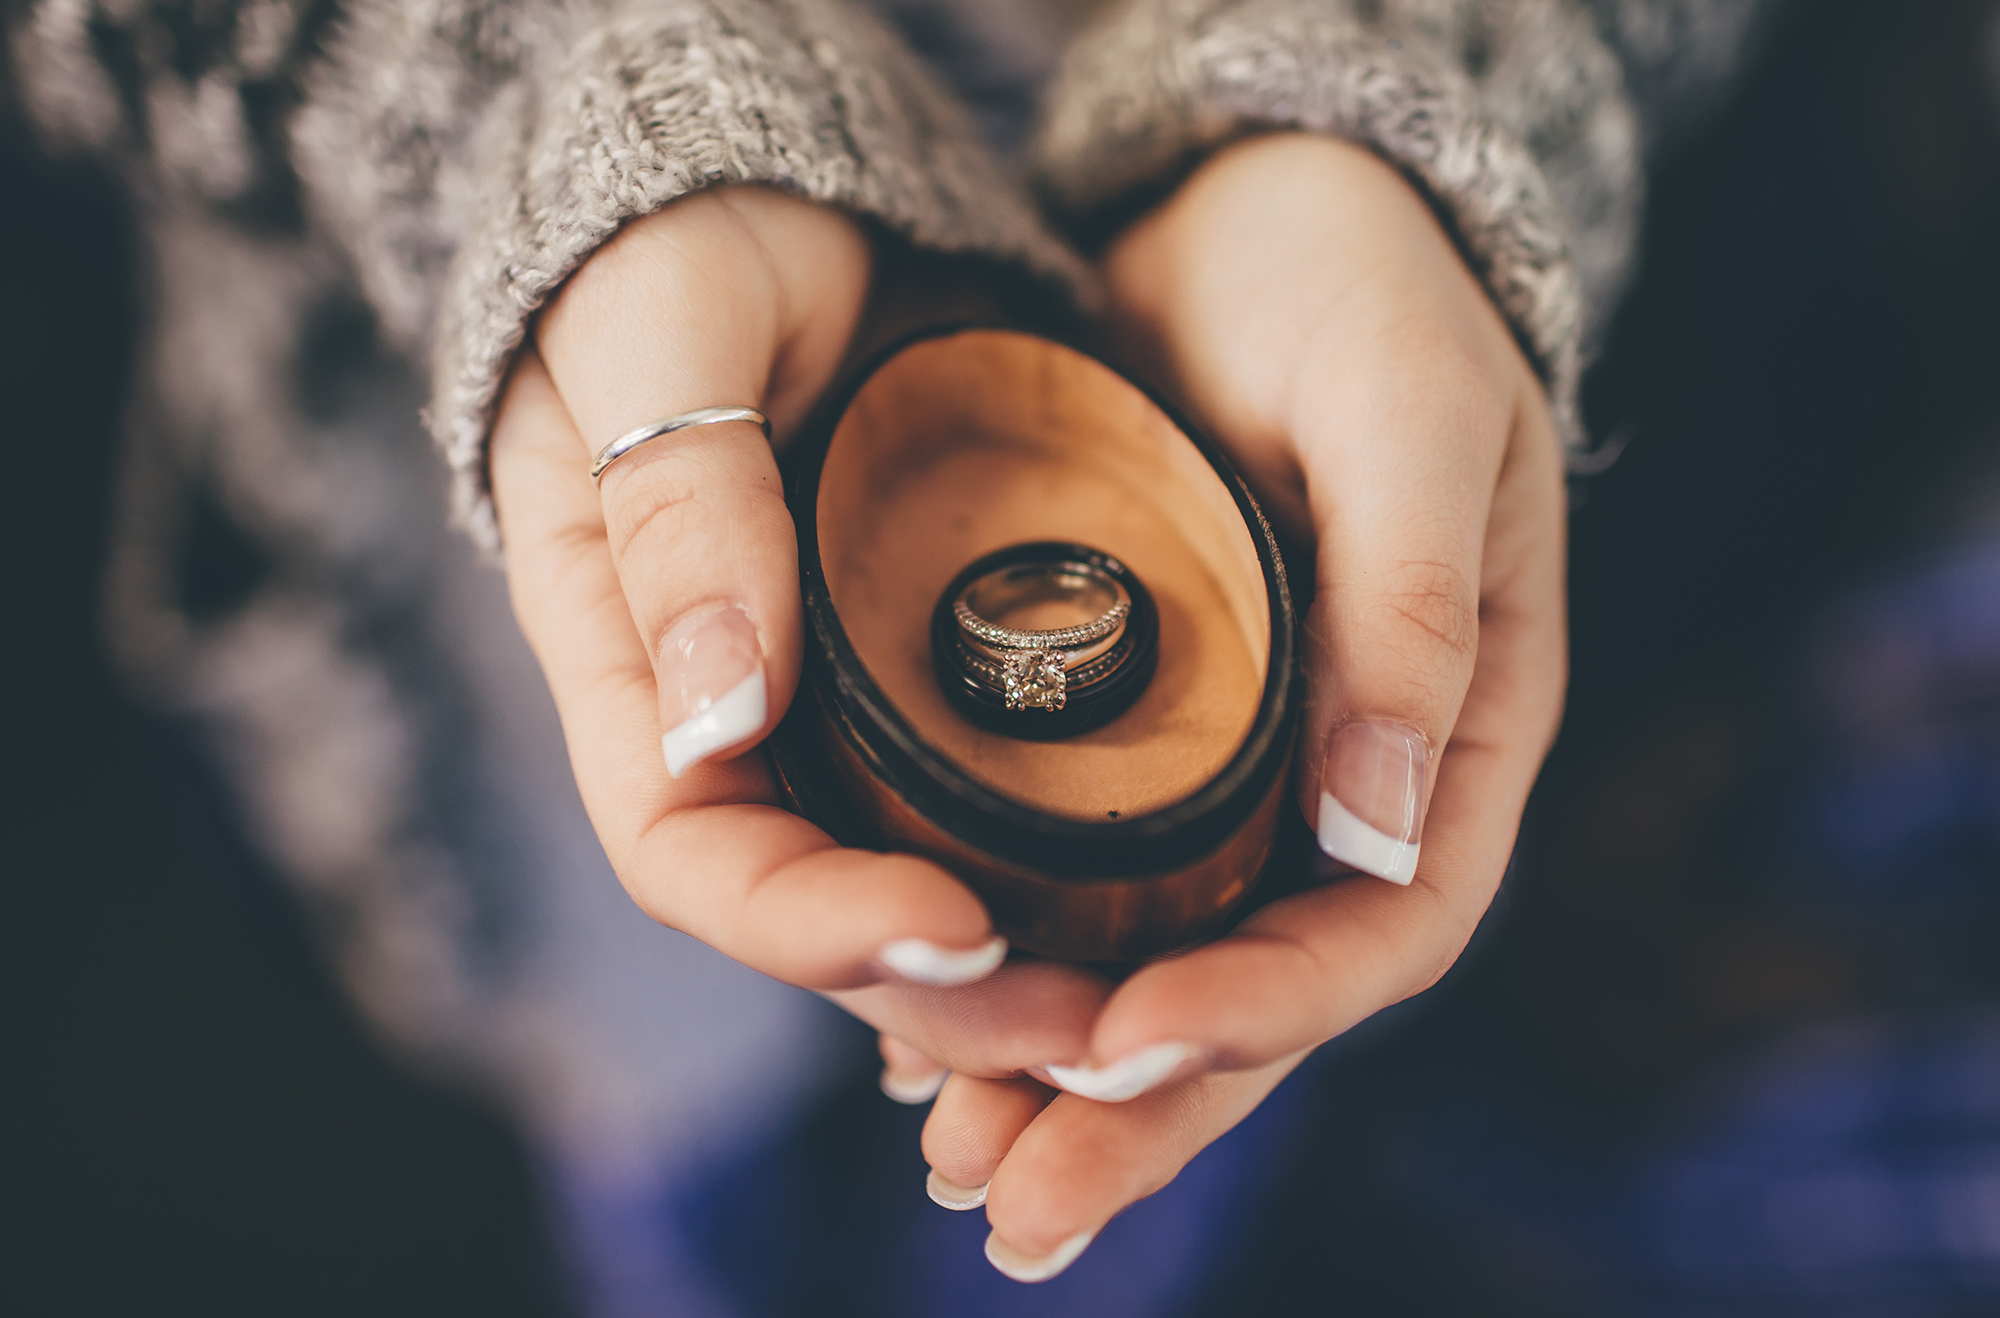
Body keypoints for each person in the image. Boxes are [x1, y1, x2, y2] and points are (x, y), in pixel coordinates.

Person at [7, 0, 1777, 1297]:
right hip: (521, 598)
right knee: (671, 1114)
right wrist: (531, 85)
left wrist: (1416, 78)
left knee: (1120, 1139)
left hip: (1276, 538)